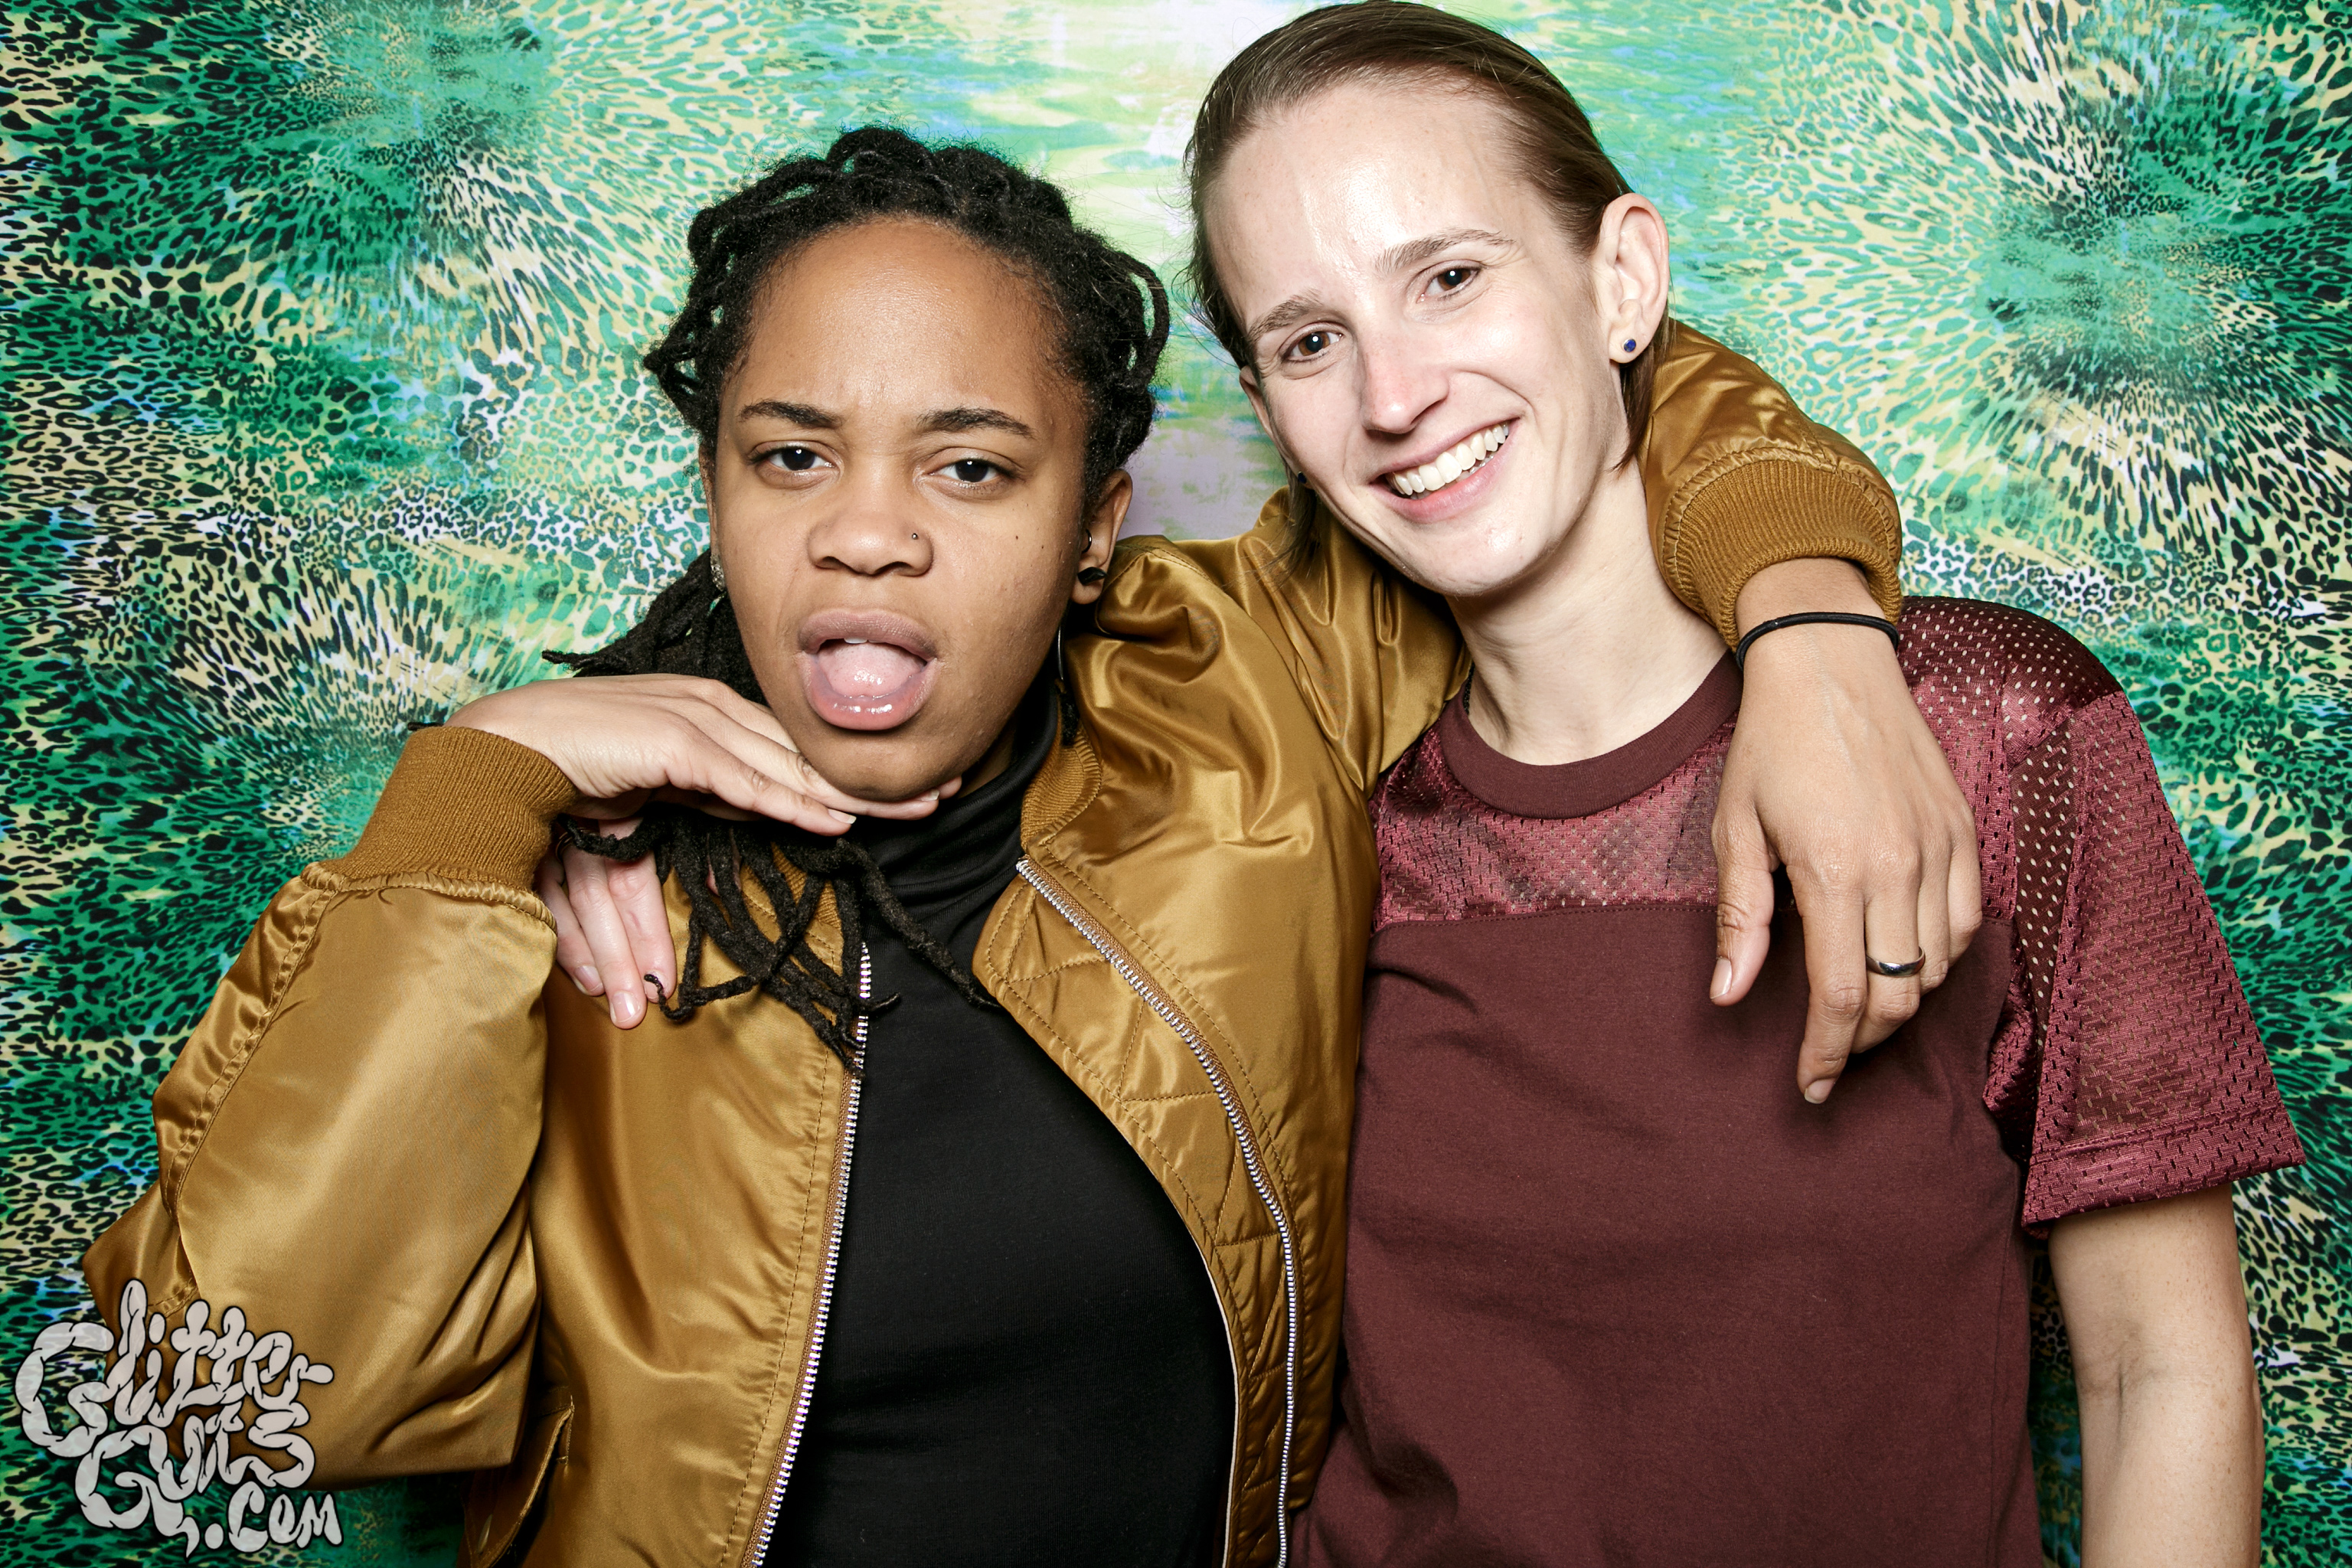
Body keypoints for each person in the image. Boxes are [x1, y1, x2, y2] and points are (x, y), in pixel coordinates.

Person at [87, 119, 1944, 1568]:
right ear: (715, 488)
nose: (867, 532)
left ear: (1096, 526)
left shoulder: (1252, 698)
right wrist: (476, 797)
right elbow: (229, 1412)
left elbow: (1591, 381)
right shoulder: (532, 899)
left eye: (970, 464)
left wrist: (1808, 625)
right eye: (790, 454)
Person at [1167, 5, 2304, 1565]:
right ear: (1268, 409)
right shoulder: (1317, 827)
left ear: (1622, 279)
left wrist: (1811, 622)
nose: (1393, 394)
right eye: (1311, 340)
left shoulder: (1993, 726)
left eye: (1451, 277)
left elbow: (2159, 1369)